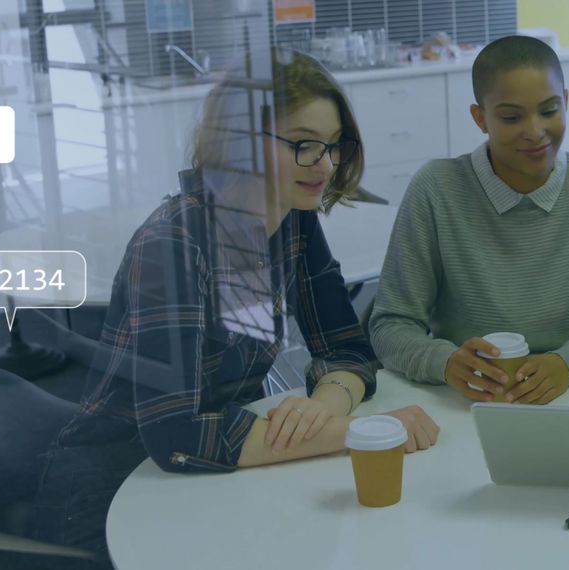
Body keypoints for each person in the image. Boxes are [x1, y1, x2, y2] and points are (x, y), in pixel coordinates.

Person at [27, 49, 439, 567]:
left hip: (224, 470)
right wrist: (367, 433)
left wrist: (327, 403)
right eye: (304, 146)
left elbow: (348, 348)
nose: (326, 165)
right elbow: (177, 434)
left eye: (333, 146)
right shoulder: (172, 243)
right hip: (114, 490)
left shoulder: (293, 218)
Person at [369, 35, 569, 404]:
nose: (534, 131)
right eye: (512, 117)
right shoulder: (436, 188)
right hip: (466, 397)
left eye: (548, 110)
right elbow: (391, 324)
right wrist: (445, 361)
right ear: (480, 118)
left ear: (565, 102)